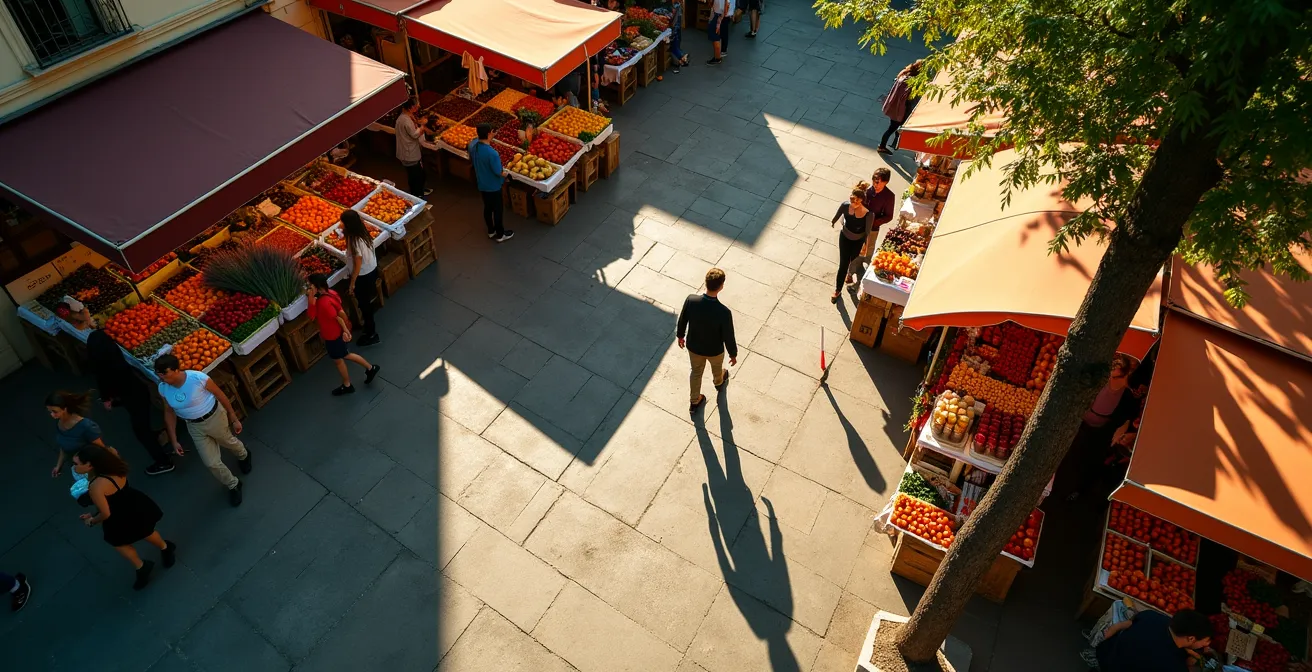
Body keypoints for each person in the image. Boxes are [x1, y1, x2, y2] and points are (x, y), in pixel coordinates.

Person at [65, 303, 177, 475]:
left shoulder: (100, 355)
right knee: (141, 421)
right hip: (137, 389)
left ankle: (163, 461)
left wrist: (107, 397)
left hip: (130, 395)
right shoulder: (105, 341)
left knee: (140, 430)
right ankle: (156, 438)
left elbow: (102, 377)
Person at [72, 445, 174, 591]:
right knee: (147, 531)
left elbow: (106, 512)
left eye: (76, 464)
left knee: (119, 543)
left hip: (118, 516)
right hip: (134, 504)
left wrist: (91, 520)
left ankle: (141, 566)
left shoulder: (96, 486)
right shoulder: (113, 461)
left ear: (89, 465)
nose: (74, 467)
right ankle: (165, 547)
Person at [154, 354, 250, 507]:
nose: (161, 377)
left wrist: (233, 417)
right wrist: (174, 440)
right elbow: (169, 412)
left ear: (176, 370)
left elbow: (220, 394)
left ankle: (243, 454)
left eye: (164, 373)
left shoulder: (197, 378)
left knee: (228, 441)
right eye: (158, 374)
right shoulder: (163, 388)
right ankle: (233, 484)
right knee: (211, 462)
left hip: (214, 418)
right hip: (193, 426)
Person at [305, 273, 381, 396]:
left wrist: (310, 299)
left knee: (340, 359)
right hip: (337, 333)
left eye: (310, 286)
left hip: (332, 335)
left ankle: (349, 383)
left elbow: (314, 316)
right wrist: (346, 329)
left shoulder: (322, 303)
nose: (308, 288)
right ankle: (369, 369)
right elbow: (340, 313)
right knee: (345, 355)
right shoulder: (331, 293)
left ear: (316, 287)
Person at [677, 268, 738, 415]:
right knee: (717, 369)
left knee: (696, 372)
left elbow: (682, 320)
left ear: (705, 282)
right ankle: (718, 381)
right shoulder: (724, 312)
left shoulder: (691, 300)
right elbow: (728, 336)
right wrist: (733, 354)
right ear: (721, 286)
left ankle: (694, 400)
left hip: (694, 347)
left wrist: (680, 336)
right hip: (714, 351)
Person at [1095, 608, 1212, 672]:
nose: (1207, 644)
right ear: (1191, 638)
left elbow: (1131, 622)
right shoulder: (1175, 667)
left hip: (1107, 654)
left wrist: (1115, 627)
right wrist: (1191, 663)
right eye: (1205, 641)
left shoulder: (1151, 616)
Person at [830, 182, 877, 303]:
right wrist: (833, 221)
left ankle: (850, 274)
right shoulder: (845, 205)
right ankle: (837, 289)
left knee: (852, 260)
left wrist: (865, 247)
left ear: (861, 201)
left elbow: (867, 232)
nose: (853, 204)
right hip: (845, 237)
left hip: (857, 241)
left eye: (856, 202)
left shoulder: (868, 214)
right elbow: (838, 214)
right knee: (843, 264)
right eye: (852, 200)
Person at [468, 123, 514, 242]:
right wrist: (508, 175)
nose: (494, 133)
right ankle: (500, 234)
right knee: (498, 210)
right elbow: (498, 171)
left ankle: (491, 230)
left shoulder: (474, 147)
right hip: (493, 186)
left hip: (482, 184)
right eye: (493, 131)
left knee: (487, 208)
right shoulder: (492, 153)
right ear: (489, 133)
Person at [45, 390, 106, 479]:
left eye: (55, 411)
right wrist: (58, 466)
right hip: (77, 470)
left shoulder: (86, 426)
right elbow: (64, 447)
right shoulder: (60, 423)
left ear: (65, 409)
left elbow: (101, 451)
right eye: (50, 411)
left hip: (92, 472)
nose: (52, 415)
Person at [341, 210, 381, 346]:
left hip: (363, 275)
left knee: (364, 305)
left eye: (342, 222)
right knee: (366, 301)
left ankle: (371, 334)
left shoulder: (354, 240)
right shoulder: (362, 231)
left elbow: (358, 261)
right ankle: (370, 327)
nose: (340, 224)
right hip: (371, 268)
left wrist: (352, 282)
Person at [878, 61, 923, 154]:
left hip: (894, 108)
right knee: (893, 128)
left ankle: (892, 143)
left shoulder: (903, 76)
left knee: (894, 127)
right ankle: (883, 146)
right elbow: (911, 98)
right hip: (901, 110)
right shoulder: (910, 83)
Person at [395, 98, 432, 197]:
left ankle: (419, 190)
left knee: (417, 173)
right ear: (411, 107)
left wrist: (420, 123)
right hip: (409, 152)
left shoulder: (404, 117)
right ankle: (417, 194)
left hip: (407, 151)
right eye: (416, 106)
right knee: (415, 175)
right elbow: (415, 135)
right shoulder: (405, 121)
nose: (418, 107)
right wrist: (423, 126)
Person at [862, 167, 898, 246]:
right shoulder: (865, 190)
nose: (875, 185)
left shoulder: (889, 196)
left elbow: (888, 216)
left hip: (872, 228)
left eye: (878, 182)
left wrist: (874, 223)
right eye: (874, 181)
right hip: (858, 223)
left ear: (886, 182)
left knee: (868, 249)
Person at [669, 0, 689, 72]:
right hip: (677, 29)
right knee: (676, 45)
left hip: (674, 29)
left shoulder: (676, 5)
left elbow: (672, 17)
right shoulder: (678, 5)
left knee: (674, 47)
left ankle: (681, 59)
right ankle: (683, 57)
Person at [707, 0, 728, 65]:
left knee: (715, 36)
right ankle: (717, 57)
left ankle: (717, 58)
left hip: (717, 13)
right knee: (716, 36)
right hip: (719, 13)